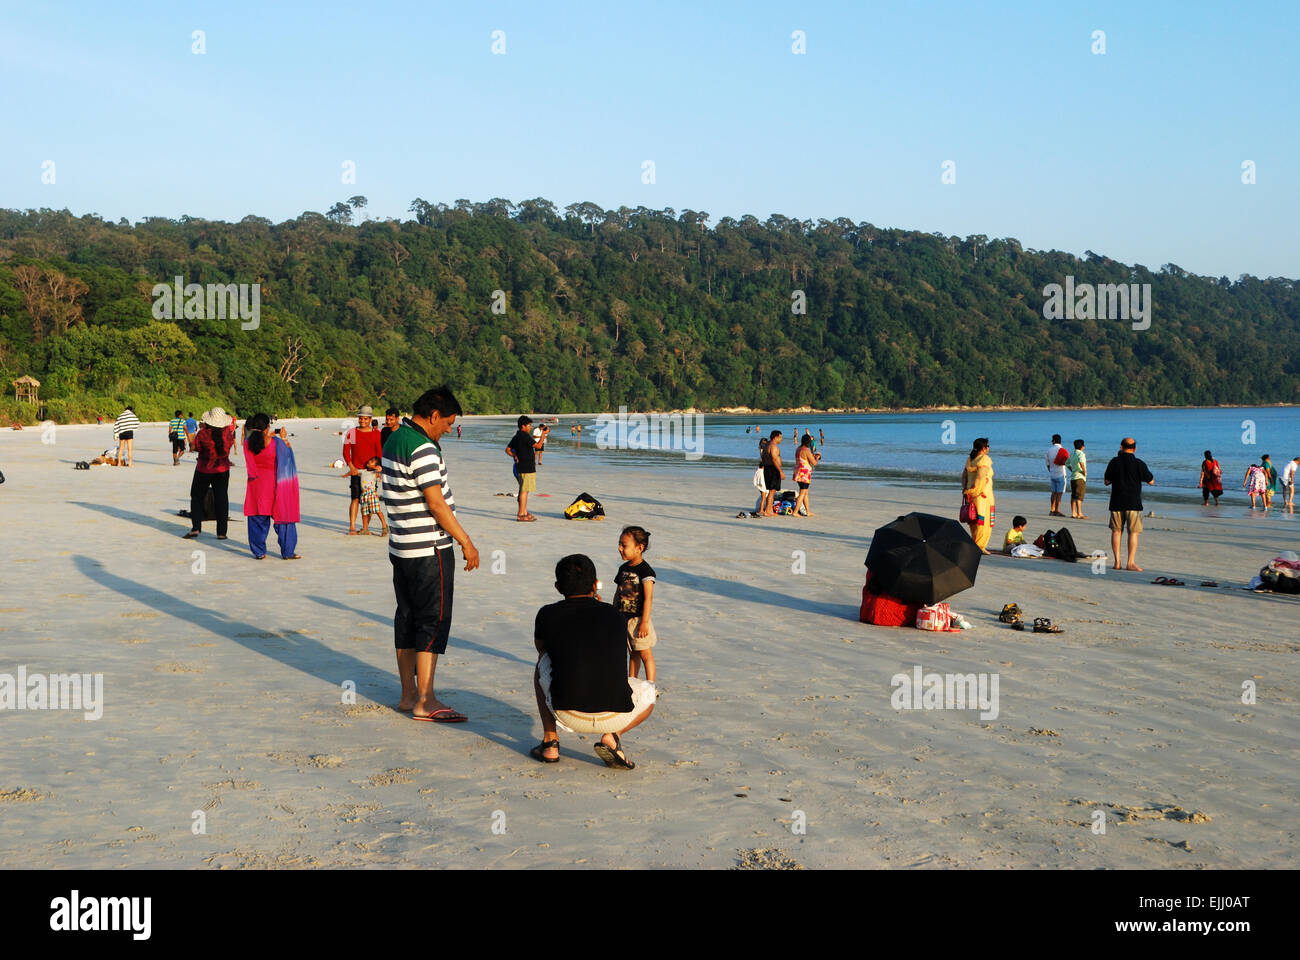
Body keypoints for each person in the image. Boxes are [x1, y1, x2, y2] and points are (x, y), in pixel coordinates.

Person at [381, 386, 479, 721]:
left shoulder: (395, 438)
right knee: (432, 620)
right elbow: (436, 503)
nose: (449, 429)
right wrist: (466, 541)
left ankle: (409, 695)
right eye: (448, 423)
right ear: (434, 415)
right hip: (428, 547)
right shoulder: (423, 447)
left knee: (406, 618)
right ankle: (425, 698)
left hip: (401, 546)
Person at [531, 554, 656, 767]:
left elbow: (541, 649)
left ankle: (550, 741)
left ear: (558, 586)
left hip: (567, 712)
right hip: (616, 714)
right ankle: (613, 736)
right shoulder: (615, 615)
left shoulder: (547, 613)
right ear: (595, 585)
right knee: (650, 693)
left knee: (542, 661)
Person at [242, 412, 301, 560]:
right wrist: (284, 438)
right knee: (284, 519)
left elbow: (251, 465)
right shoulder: (276, 443)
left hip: (256, 486)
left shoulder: (247, 444)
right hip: (276, 485)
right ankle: (288, 552)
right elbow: (288, 457)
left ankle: (259, 552)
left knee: (256, 518)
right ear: (268, 426)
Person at [1103, 437, 1155, 572]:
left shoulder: (1114, 462)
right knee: (1133, 533)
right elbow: (1151, 481)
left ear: (1121, 447)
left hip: (1116, 501)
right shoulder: (1139, 463)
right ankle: (1130, 563)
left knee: (1116, 531)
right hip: (1133, 502)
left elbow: (1107, 481)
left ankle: (1117, 562)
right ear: (1135, 448)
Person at [614, 526, 657, 683]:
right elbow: (618, 593)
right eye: (620, 544)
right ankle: (632, 682)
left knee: (645, 654)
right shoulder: (623, 569)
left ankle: (650, 685)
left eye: (624, 545)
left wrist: (644, 623)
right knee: (633, 653)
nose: (620, 548)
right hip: (625, 619)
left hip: (639, 620)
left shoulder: (646, 571)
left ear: (639, 548)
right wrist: (614, 613)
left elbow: (648, 598)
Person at [184, 408, 235, 540]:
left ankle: (196, 528)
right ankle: (221, 532)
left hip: (204, 469)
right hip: (222, 469)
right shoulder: (228, 434)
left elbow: (195, 448)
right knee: (222, 499)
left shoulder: (202, 434)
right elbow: (228, 448)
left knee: (196, 497)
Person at [344, 405, 384, 534]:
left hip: (371, 473)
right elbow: (346, 451)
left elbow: (379, 453)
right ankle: (352, 527)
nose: (363, 421)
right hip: (356, 471)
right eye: (361, 418)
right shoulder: (352, 433)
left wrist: (378, 469)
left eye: (366, 419)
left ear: (370, 419)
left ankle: (365, 527)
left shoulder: (376, 434)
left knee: (368, 501)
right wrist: (351, 466)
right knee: (355, 499)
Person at [961, 438, 995, 553]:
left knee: (973, 518)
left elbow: (964, 476)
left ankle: (975, 542)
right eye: (988, 446)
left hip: (971, 493)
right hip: (982, 494)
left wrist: (966, 489)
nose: (989, 448)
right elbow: (980, 476)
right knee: (983, 520)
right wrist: (976, 489)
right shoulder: (985, 459)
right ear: (984, 448)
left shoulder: (970, 459)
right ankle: (979, 546)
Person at [506, 415, 542, 521]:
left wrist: (514, 456)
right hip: (526, 467)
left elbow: (507, 449)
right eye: (529, 425)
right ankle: (521, 514)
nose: (530, 427)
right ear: (523, 426)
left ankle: (524, 511)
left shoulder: (517, 436)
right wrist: (543, 435)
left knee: (523, 490)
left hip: (520, 467)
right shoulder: (525, 436)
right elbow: (538, 446)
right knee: (524, 490)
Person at [355, 456, 388, 536]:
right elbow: (355, 471)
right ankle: (365, 529)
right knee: (364, 513)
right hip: (364, 495)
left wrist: (379, 469)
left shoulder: (375, 472)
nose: (369, 461)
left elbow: (380, 472)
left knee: (377, 510)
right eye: (370, 460)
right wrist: (348, 473)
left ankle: (384, 526)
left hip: (372, 494)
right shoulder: (363, 471)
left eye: (372, 461)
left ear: (376, 466)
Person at [793, 434, 820, 517]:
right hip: (804, 474)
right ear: (808, 442)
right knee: (802, 492)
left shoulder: (798, 449)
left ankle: (807, 511)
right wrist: (817, 457)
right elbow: (814, 463)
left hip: (798, 472)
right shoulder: (806, 450)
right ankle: (795, 512)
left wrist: (812, 456)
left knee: (805, 493)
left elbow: (803, 459)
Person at [760, 430, 783, 517]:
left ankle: (769, 510)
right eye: (780, 437)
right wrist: (780, 471)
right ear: (775, 437)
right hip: (773, 469)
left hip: (767, 468)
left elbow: (763, 457)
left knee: (771, 490)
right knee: (772, 491)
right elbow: (774, 459)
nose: (781, 439)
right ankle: (767, 511)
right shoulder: (773, 446)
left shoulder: (766, 445)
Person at [1046, 434, 1069, 516]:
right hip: (1061, 473)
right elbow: (1066, 462)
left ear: (1054, 441)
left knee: (1053, 493)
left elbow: (1048, 464)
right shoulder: (1062, 450)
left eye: (1052, 440)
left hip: (1052, 474)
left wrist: (1051, 470)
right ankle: (1057, 510)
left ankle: (1052, 509)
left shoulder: (1049, 450)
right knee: (1059, 493)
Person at [1066, 439, 1087, 519]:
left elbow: (1067, 463)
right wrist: (1084, 472)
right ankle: (1079, 513)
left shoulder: (1072, 454)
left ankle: (1073, 513)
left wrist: (1072, 470)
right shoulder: (1081, 454)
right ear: (1082, 446)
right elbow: (1081, 463)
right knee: (1079, 496)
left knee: (1073, 495)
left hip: (1073, 477)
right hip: (1079, 477)